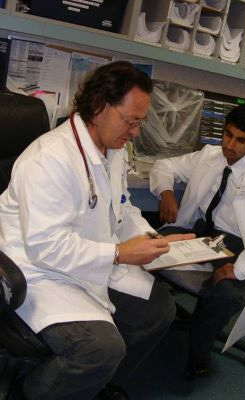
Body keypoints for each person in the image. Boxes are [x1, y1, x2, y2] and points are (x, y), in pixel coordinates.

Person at [0, 61, 194, 400]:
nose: (135, 132)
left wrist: (153, 241)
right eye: (131, 121)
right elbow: (45, 247)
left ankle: (90, 386)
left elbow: (121, 208)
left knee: (159, 311)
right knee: (99, 349)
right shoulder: (49, 159)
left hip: (94, 259)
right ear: (99, 105)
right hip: (38, 272)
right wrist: (119, 254)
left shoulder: (113, 149)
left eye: (140, 122)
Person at [149, 103, 245, 379]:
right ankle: (147, 322)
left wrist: (240, 268)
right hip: (200, 233)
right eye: (227, 134)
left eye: (241, 140)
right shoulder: (209, 155)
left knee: (225, 295)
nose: (230, 145)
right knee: (147, 245)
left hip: (236, 246)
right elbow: (164, 165)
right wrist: (166, 192)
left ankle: (198, 354)